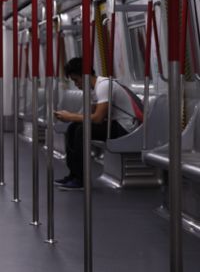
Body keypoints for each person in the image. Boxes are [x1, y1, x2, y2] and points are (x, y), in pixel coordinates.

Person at [54, 57, 140, 189]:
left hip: (126, 127)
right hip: (114, 124)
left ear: (85, 76)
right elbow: (87, 114)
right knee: (73, 128)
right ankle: (74, 175)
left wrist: (70, 116)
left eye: (76, 80)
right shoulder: (93, 90)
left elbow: (97, 118)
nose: (76, 84)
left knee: (81, 130)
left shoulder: (104, 86)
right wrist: (69, 117)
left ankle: (81, 180)